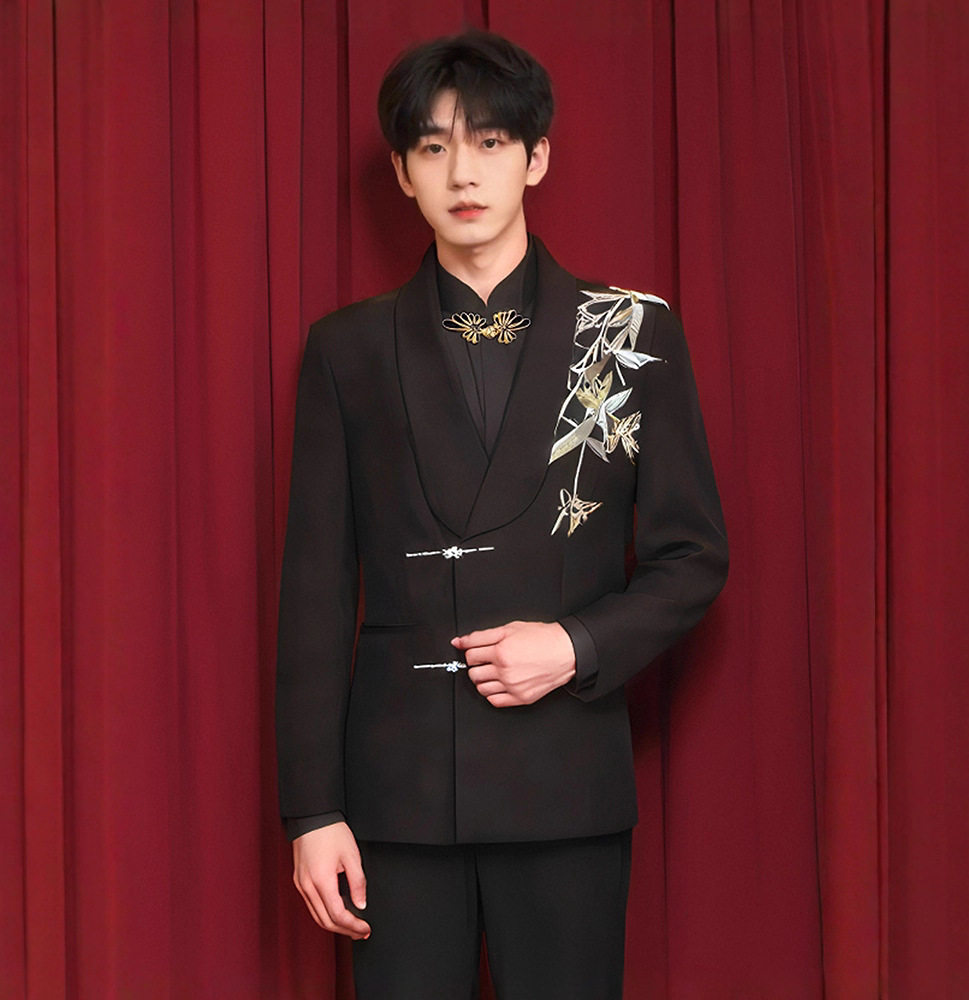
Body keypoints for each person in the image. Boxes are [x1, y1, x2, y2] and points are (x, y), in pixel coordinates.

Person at [276, 30, 727, 1000]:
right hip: (396, 799)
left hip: (564, 783)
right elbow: (315, 592)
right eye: (434, 147)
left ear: (537, 156)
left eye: (489, 142)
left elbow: (692, 556)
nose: (463, 172)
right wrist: (312, 811)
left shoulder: (629, 331)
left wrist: (574, 645)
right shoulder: (347, 350)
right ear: (402, 172)